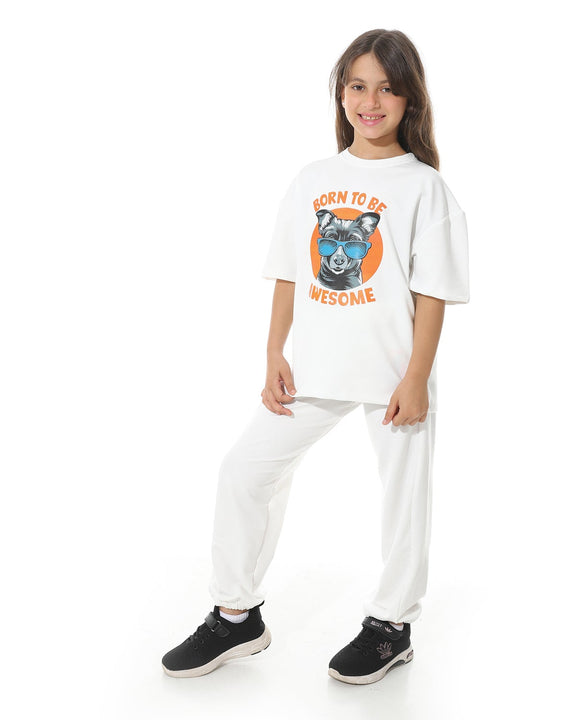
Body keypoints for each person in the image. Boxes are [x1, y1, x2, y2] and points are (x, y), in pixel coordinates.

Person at [161, 28, 470, 685]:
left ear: (410, 100)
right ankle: (236, 615)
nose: (370, 101)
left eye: (387, 88)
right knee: (244, 471)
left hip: (394, 374)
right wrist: (274, 350)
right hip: (314, 367)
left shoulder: (424, 188)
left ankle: (390, 626)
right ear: (341, 94)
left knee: (403, 500)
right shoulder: (314, 179)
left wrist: (417, 377)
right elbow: (287, 271)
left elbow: (433, 291)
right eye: (357, 86)